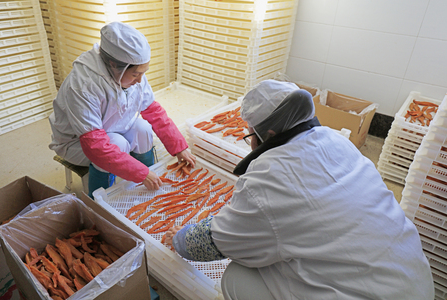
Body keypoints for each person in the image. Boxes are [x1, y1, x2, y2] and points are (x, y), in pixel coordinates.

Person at [165, 79, 434, 300]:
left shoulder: (268, 178)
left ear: (267, 134)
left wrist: (180, 240)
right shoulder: (336, 140)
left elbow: (220, 240)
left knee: (237, 276)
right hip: (416, 283)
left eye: (250, 135)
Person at [48, 22, 195, 196]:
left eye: (143, 73)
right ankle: (101, 200)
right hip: (77, 141)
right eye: (135, 74)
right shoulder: (84, 84)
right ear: (114, 65)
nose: (140, 80)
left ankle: (150, 181)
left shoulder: (130, 73)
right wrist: (140, 173)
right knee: (117, 144)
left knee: (143, 129)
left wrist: (179, 147)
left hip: (111, 126)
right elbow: (95, 145)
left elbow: (153, 112)